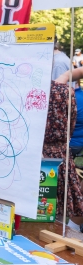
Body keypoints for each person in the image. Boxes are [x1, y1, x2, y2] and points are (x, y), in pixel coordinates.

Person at [44, 75, 83, 228]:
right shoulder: (66, 92)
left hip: (41, 154)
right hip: (61, 154)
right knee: (57, 206)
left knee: (45, 207)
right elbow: (70, 127)